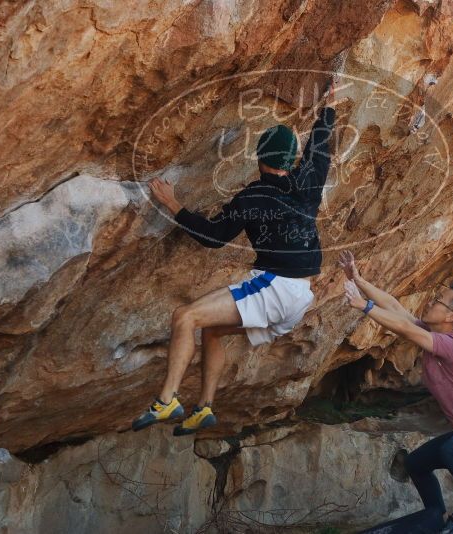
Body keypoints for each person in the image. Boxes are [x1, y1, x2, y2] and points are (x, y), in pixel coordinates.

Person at [131, 79, 339, 435]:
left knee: (185, 317)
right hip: (301, 295)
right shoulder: (309, 182)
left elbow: (213, 237)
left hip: (275, 287)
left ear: (260, 158)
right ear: (291, 162)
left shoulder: (253, 196)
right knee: (211, 331)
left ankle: (167, 400)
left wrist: (173, 204)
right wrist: (328, 109)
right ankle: (204, 408)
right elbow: (320, 147)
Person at [340, 251, 453, 534]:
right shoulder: (431, 335)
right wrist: (358, 279)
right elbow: (395, 307)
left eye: (438, 301)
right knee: (416, 462)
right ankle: (440, 516)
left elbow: (404, 327)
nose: (430, 302)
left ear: (450, 316)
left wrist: (363, 305)